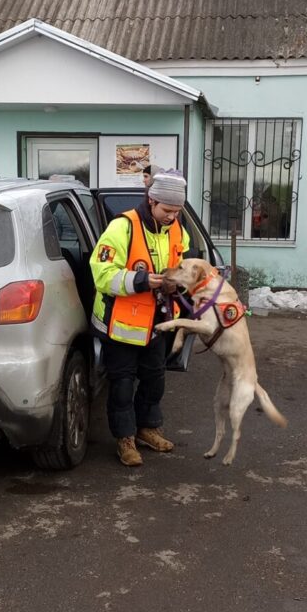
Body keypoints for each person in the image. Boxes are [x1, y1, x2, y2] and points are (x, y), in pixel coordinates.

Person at [90, 171, 189, 466]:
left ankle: (148, 429)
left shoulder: (176, 229)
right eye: (167, 210)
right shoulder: (122, 228)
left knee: (154, 380)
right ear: (151, 200)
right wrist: (144, 281)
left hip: (157, 324)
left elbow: (181, 264)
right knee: (121, 384)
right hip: (121, 325)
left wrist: (177, 283)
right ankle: (125, 440)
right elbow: (101, 274)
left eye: (177, 211)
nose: (172, 216)